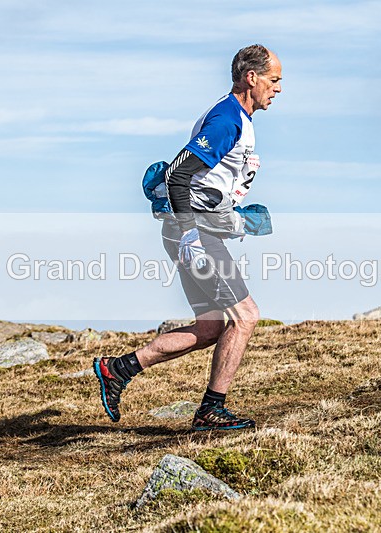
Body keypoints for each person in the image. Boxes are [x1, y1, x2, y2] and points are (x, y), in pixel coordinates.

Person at [93, 44, 283, 431]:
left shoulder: (239, 119)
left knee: (211, 327)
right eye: (274, 80)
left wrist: (234, 217)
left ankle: (118, 370)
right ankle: (210, 410)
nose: (278, 89)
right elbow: (179, 174)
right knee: (246, 317)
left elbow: (206, 183)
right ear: (252, 77)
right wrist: (191, 235)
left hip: (198, 229)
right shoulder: (227, 118)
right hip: (193, 233)